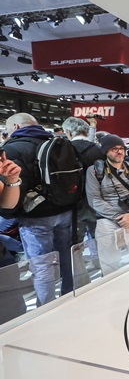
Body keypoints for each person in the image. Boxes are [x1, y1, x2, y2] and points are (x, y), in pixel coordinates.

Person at [0, 113, 74, 306]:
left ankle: (47, 307)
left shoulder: (12, 149)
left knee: (42, 266)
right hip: (64, 210)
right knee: (67, 258)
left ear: (16, 127)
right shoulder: (58, 143)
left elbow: (12, 194)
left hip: (35, 217)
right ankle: (70, 296)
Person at [86, 135, 129, 275]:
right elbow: (94, 199)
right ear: (106, 151)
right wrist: (119, 217)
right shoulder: (94, 171)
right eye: (114, 149)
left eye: (121, 149)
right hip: (107, 221)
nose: (119, 152)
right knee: (110, 265)